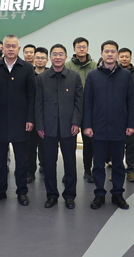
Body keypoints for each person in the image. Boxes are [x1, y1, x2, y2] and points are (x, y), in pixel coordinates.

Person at [83, 40, 134, 210]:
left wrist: (131, 123)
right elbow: (87, 102)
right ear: (101, 54)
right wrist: (87, 125)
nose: (110, 54)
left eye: (113, 51)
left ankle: (117, 194)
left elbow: (131, 101)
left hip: (119, 127)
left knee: (118, 164)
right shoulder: (93, 76)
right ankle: (99, 194)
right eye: (106, 51)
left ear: (117, 54)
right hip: (98, 127)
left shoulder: (125, 75)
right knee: (98, 164)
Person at [0, 35, 36, 206]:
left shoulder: (27, 67)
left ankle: (22, 192)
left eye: (14, 46)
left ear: (19, 49)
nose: (11, 49)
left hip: (21, 121)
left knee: (21, 160)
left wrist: (30, 118)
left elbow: (32, 95)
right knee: (0, 159)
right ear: (3, 49)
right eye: (8, 46)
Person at [36, 44, 83, 209]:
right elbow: (38, 103)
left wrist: (76, 122)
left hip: (69, 127)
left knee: (70, 163)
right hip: (47, 128)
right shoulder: (41, 78)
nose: (57, 57)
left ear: (66, 57)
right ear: (50, 58)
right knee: (49, 163)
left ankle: (70, 196)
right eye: (54, 54)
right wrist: (39, 125)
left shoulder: (74, 76)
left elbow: (79, 102)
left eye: (60, 54)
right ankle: (51, 195)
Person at [66, 37, 98, 184]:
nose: (81, 49)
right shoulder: (67, 66)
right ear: (74, 49)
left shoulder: (95, 66)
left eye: (84, 46)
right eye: (78, 47)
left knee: (89, 143)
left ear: (88, 48)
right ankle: (69, 172)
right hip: (71, 109)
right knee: (69, 144)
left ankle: (88, 170)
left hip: (89, 109)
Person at [27, 46, 48, 183]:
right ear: (34, 59)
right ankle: (30, 172)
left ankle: (45, 167)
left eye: (42, 58)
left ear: (47, 60)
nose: (40, 60)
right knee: (30, 147)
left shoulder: (51, 74)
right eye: (38, 58)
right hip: (31, 116)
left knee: (45, 146)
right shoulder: (28, 74)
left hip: (47, 117)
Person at [118, 47, 134, 182]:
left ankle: (130, 170)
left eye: (127, 56)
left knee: (131, 144)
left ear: (130, 58)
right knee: (117, 145)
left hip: (132, 115)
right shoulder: (114, 73)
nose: (124, 59)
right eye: (122, 56)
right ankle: (117, 170)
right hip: (117, 115)